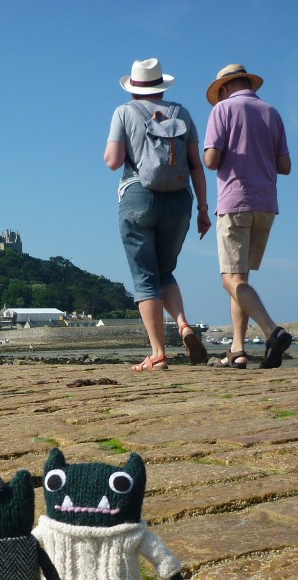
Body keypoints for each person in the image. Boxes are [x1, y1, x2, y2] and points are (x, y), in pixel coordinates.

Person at [105, 58, 211, 372]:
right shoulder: (183, 113)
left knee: (145, 279)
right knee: (165, 272)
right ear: (161, 86)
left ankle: (158, 354)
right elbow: (196, 166)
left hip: (138, 196)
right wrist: (203, 209)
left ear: (133, 87)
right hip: (179, 202)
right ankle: (183, 324)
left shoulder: (124, 112)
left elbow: (113, 161)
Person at [203, 64, 292, 369]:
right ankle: (238, 349)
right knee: (240, 279)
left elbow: (211, 160)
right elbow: (285, 166)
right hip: (266, 204)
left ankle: (272, 331)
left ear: (225, 88)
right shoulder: (272, 113)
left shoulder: (223, 110)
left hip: (235, 200)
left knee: (229, 280)